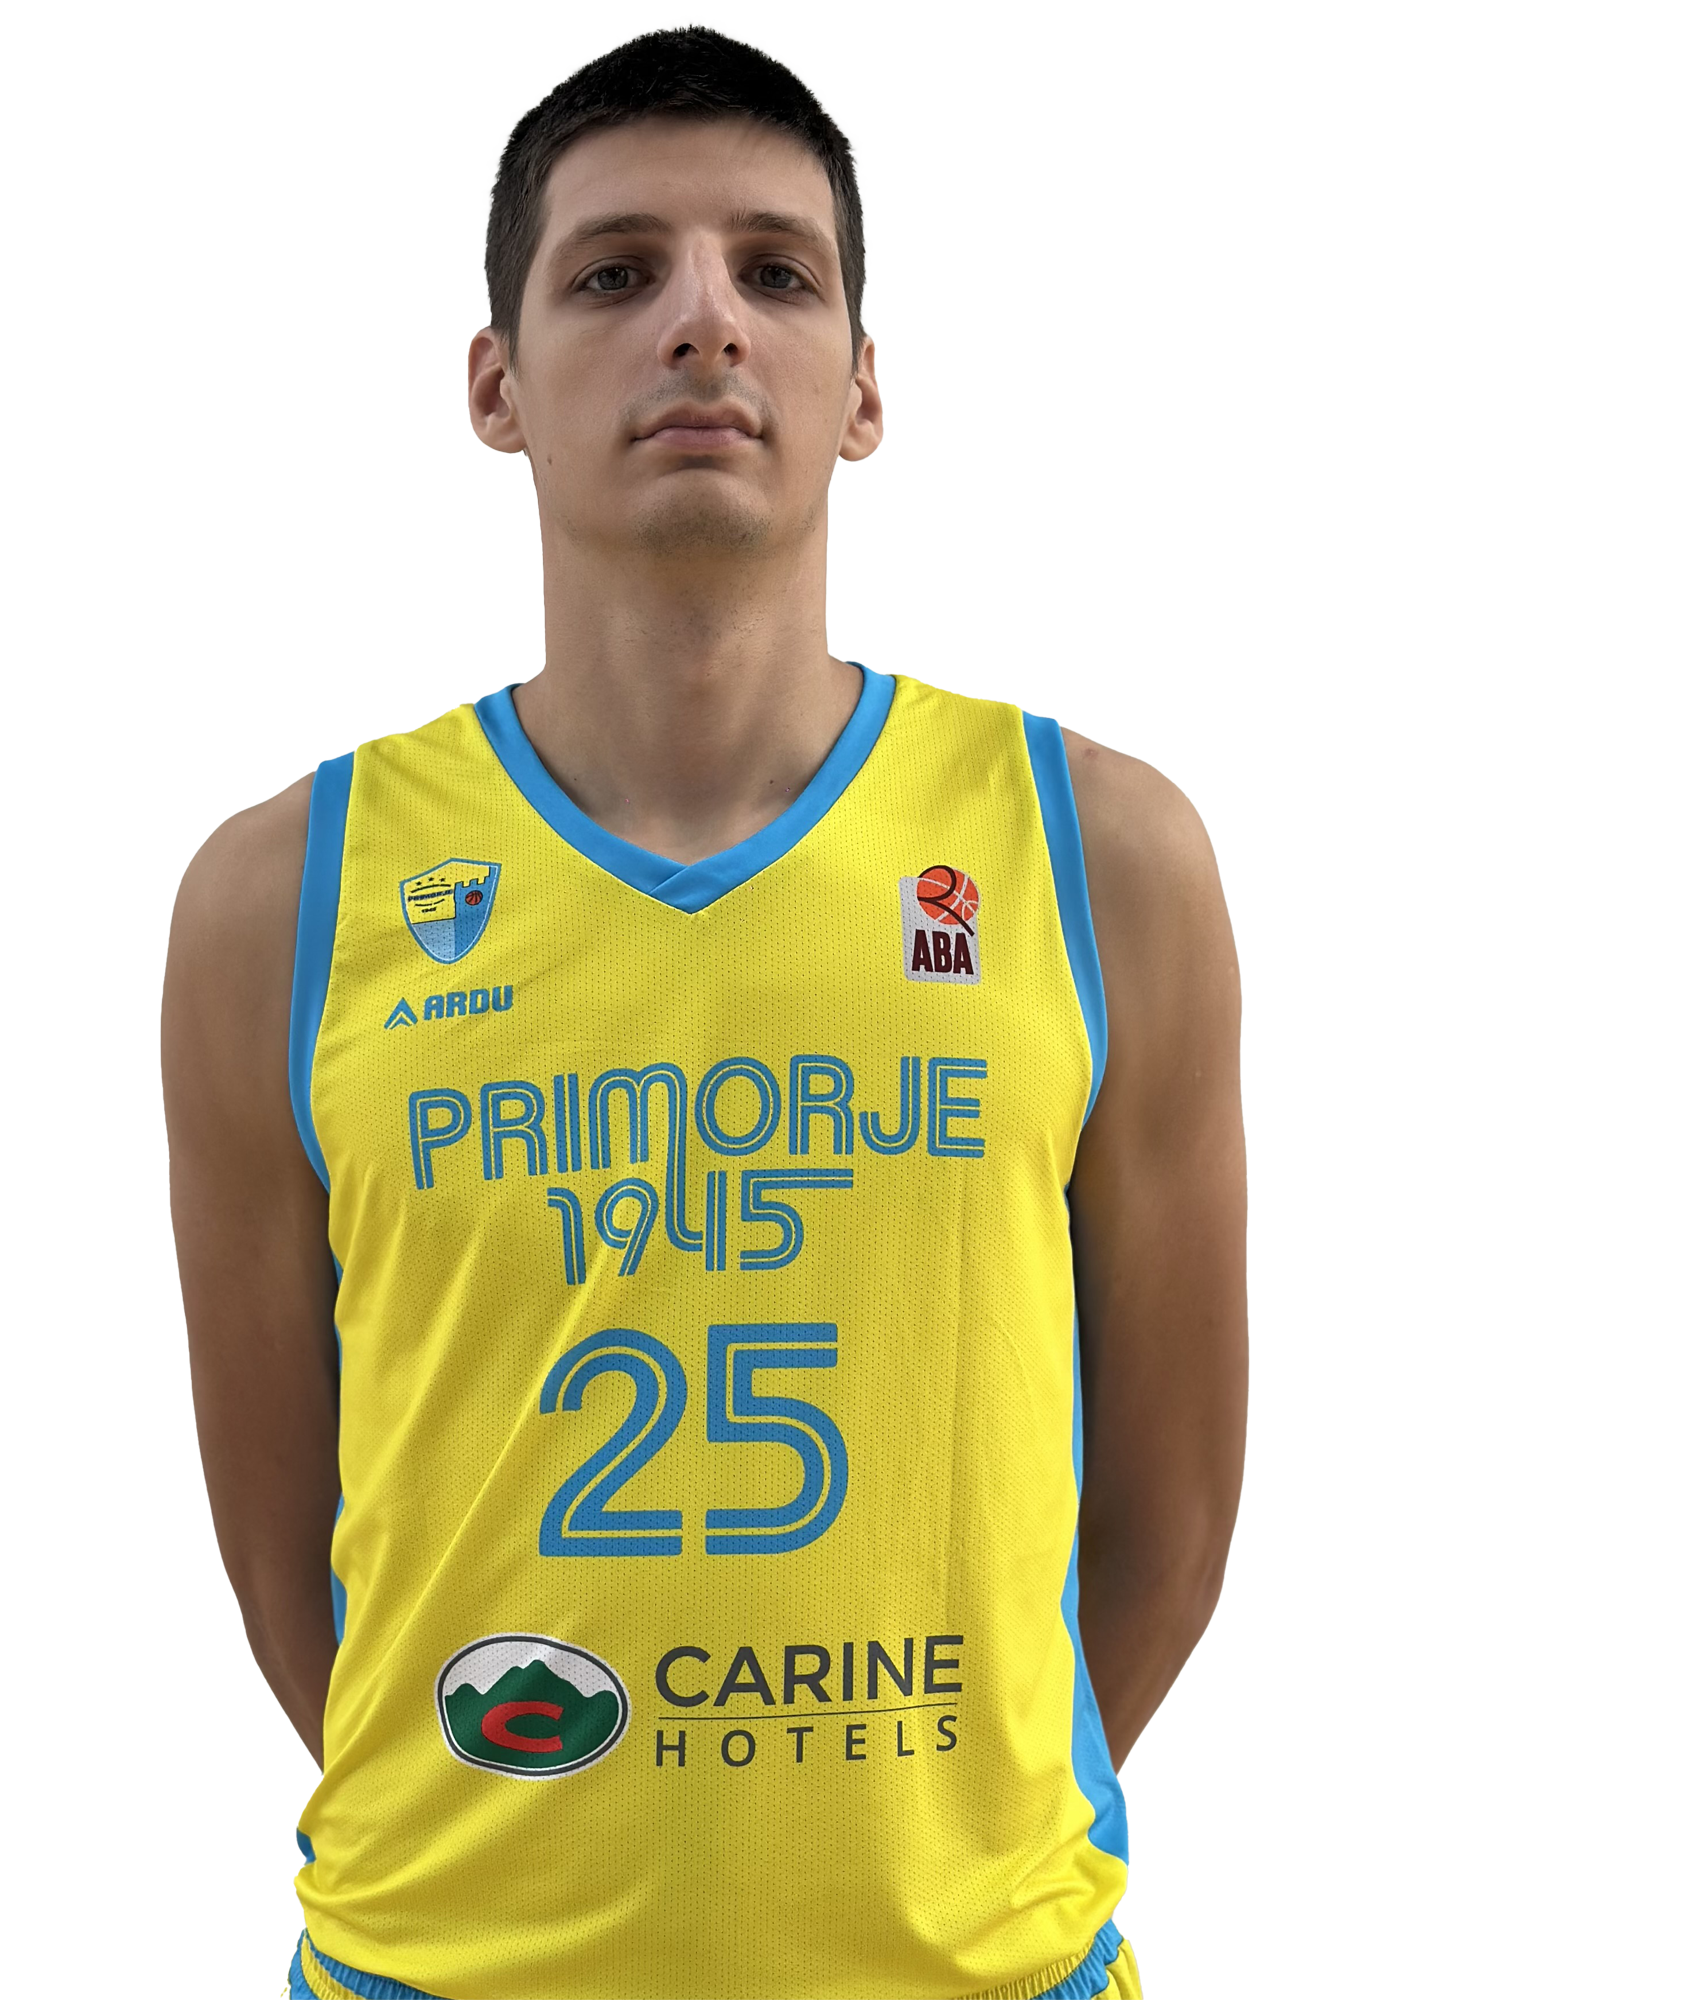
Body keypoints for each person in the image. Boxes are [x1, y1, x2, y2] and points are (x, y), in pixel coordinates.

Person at [163, 25, 1246, 2000]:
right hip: (445, 1963)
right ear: (495, 385)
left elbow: (1169, 1515)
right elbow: (284, 1546)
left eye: (776, 271)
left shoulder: (1096, 857)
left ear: (862, 386)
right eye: (612, 272)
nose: (704, 322)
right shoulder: (279, 901)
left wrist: (924, 1841)